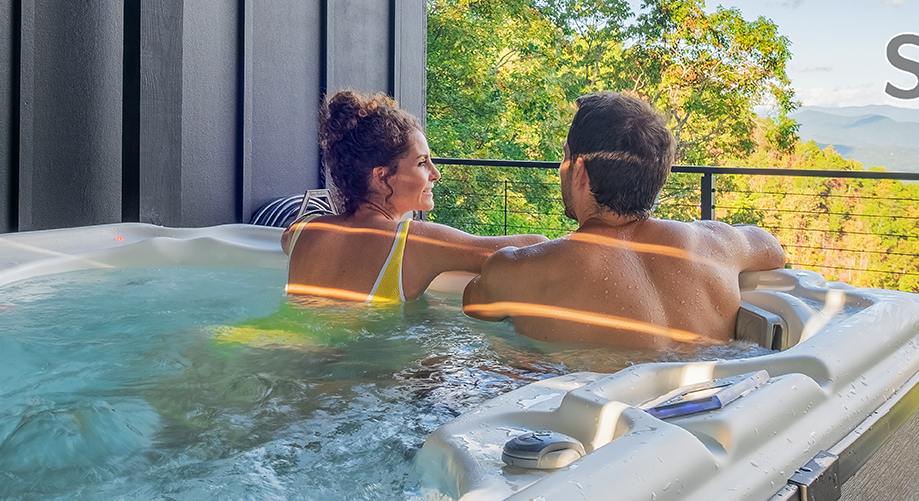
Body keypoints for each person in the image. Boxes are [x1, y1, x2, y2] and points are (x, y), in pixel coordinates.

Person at [462, 92, 787, 347]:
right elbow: (772, 249)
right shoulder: (718, 243)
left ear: (580, 172)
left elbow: (472, 306)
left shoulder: (519, 270)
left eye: (565, 157)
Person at [283, 90, 548, 303]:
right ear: (383, 176)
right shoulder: (416, 242)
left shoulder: (300, 231)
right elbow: (535, 248)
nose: (436, 174)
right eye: (422, 163)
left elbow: (287, 239)